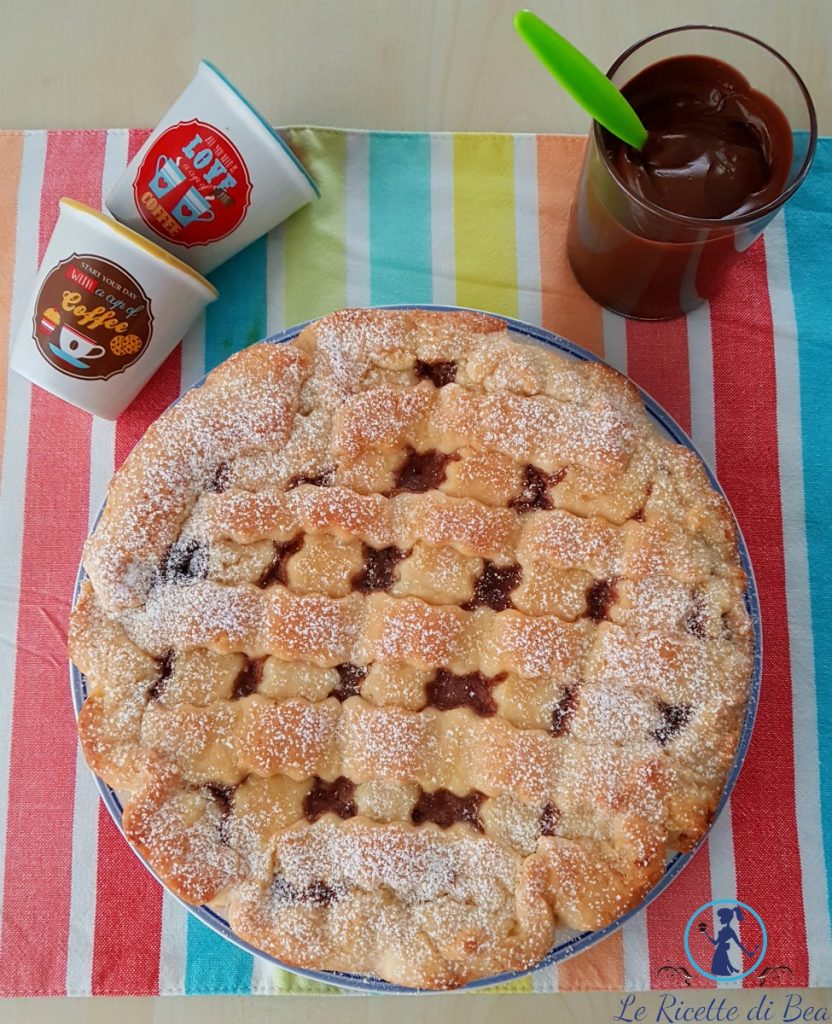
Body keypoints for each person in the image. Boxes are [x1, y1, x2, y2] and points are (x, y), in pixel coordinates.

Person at [699, 907, 759, 976]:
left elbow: (738, 943)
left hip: (721, 952)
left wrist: (747, 952)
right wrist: (706, 933)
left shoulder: (730, 931)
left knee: (721, 972)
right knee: (719, 972)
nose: (720, 919)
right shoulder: (724, 930)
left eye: (721, 917)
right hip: (719, 951)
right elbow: (715, 943)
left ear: (726, 918)